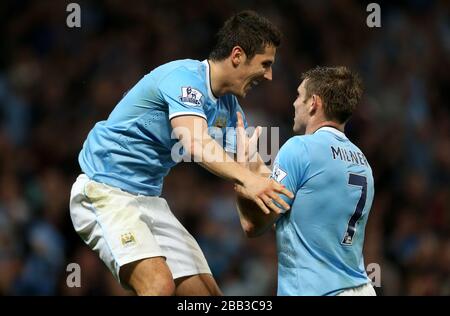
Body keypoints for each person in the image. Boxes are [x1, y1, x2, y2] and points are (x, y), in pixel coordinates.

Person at [69, 10, 293, 296]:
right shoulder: (185, 79)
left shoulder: (228, 109)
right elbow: (196, 143)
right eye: (265, 64)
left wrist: (291, 194)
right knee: (158, 285)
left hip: (148, 199)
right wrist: (248, 178)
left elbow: (255, 170)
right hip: (104, 191)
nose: (270, 75)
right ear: (237, 55)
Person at [235, 66, 376, 296]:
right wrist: (255, 161)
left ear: (313, 103)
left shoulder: (299, 147)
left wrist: (241, 175)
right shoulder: (363, 163)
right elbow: (304, 214)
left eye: (299, 95)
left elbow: (253, 225)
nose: (294, 103)